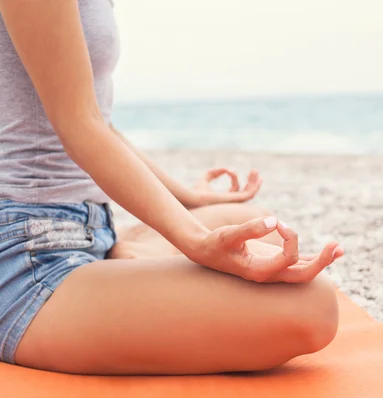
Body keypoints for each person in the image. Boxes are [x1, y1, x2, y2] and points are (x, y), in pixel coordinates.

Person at [0, 0, 344, 375]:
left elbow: (99, 121)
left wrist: (188, 199)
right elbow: (79, 123)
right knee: (313, 306)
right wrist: (194, 239)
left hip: (92, 228)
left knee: (259, 224)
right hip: (26, 261)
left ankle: (116, 256)